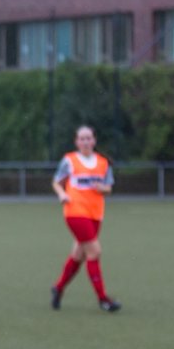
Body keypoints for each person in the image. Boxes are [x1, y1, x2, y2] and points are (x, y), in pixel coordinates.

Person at [51, 125, 121, 312]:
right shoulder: (70, 160)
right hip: (75, 211)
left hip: (95, 214)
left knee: (79, 255)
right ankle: (103, 299)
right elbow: (57, 182)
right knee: (95, 252)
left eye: (88, 138)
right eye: (82, 139)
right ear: (76, 142)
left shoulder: (103, 162)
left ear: (94, 140)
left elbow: (109, 188)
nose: (85, 142)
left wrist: (102, 188)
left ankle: (58, 289)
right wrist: (62, 195)